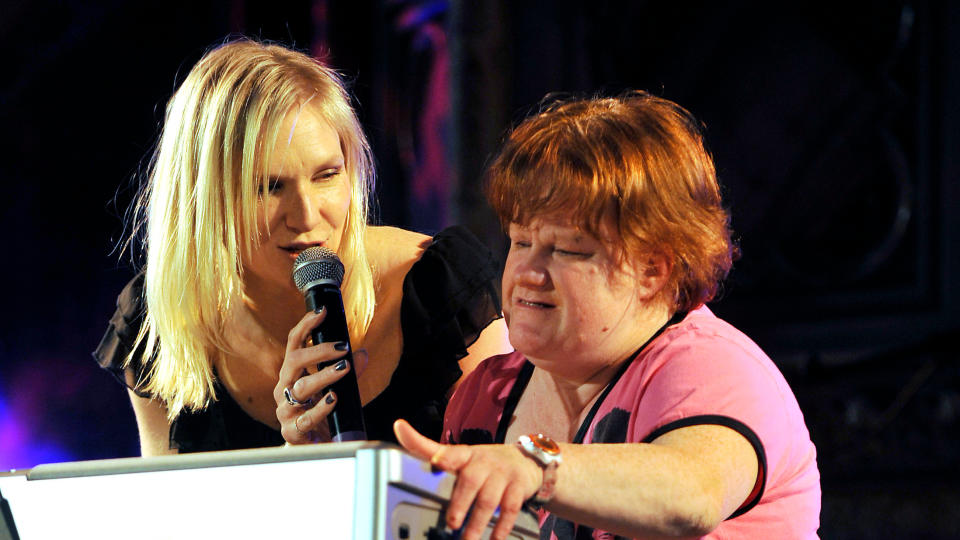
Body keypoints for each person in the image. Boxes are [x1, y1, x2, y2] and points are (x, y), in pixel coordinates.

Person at [394, 92, 821, 539]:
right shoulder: (484, 395)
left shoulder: (716, 368)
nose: (527, 273)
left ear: (652, 270)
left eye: (566, 250)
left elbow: (692, 494)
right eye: (521, 242)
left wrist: (537, 466)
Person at [93, 39, 510, 455]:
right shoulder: (160, 323)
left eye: (326, 175)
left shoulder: (442, 288)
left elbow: (508, 498)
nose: (307, 216)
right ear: (202, 199)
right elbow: (170, 516)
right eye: (268, 187)